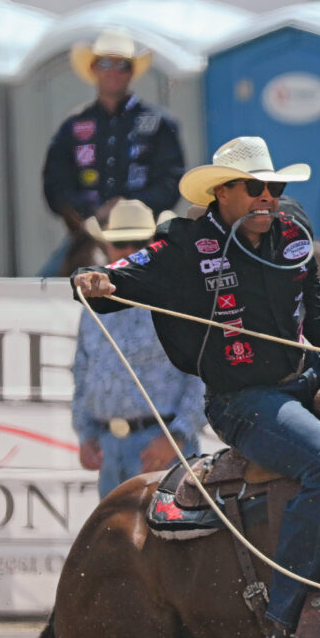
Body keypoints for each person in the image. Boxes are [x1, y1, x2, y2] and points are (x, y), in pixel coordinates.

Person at [70, 136, 320, 638]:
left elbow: (313, 315)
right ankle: (284, 622)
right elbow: (124, 276)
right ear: (223, 192)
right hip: (243, 400)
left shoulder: (293, 232)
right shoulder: (183, 243)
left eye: (275, 187)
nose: (269, 197)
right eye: (256, 188)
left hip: (305, 375)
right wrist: (96, 279)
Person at [71, 199, 204, 498]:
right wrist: (86, 432)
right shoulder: (92, 306)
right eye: (120, 243)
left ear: (154, 245)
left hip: (162, 445)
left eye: (138, 243)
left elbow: (203, 373)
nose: (128, 251)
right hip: (109, 445)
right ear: (107, 247)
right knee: (113, 543)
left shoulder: (178, 296)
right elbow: (82, 369)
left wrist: (177, 436)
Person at [41, 28, 184, 276]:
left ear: (132, 72)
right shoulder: (73, 126)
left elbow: (172, 180)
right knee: (43, 286)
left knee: (185, 277)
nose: (114, 72)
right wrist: (92, 211)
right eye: (106, 63)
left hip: (147, 229)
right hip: (89, 229)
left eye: (123, 65)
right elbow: (55, 184)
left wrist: (129, 206)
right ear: (94, 68)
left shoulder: (159, 122)